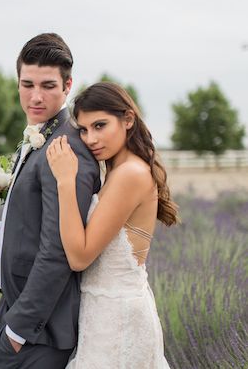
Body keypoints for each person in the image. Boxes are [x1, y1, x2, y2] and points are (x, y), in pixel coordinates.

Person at [0, 33, 101, 368]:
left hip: (38, 330)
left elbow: (60, 247)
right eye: (27, 84)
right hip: (14, 310)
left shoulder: (67, 147)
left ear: (68, 86)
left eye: (48, 85)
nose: (35, 96)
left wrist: (18, 331)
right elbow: (39, 221)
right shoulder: (39, 135)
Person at [46, 81, 179, 368]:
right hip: (102, 314)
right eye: (83, 129)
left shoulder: (130, 173)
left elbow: (80, 257)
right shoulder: (116, 171)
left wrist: (65, 181)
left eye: (100, 125)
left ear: (128, 119)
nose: (90, 138)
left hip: (120, 319)